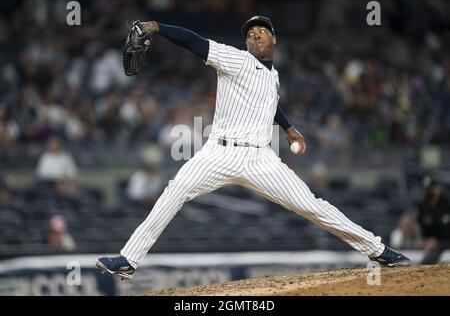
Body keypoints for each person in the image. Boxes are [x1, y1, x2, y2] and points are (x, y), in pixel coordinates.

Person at [96, 16, 410, 280]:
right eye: (249, 33)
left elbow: (269, 104)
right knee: (175, 190)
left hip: (260, 158)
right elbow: (194, 42)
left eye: (261, 31)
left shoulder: (273, 76)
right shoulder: (236, 59)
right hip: (218, 153)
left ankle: (377, 250)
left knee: (313, 206)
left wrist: (288, 129)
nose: (254, 34)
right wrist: (156, 27)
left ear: (275, 39)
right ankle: (129, 260)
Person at [417, 177, 450, 265]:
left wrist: (436, 240)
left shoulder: (446, 203)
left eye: (433, 188)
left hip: (445, 239)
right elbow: (422, 224)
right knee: (426, 260)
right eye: (429, 189)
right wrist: (426, 239)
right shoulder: (423, 205)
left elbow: (446, 226)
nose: (431, 191)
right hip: (433, 241)